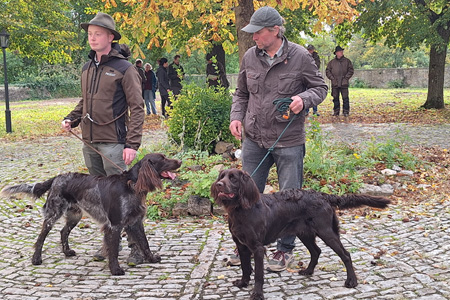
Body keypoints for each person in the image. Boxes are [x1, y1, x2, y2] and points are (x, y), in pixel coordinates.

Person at [229, 6, 327, 272]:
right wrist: (236, 117)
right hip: (254, 140)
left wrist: (303, 99)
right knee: (247, 196)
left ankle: (284, 250)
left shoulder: (300, 57)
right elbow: (241, 93)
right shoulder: (250, 56)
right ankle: (248, 246)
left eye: (258, 33)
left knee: (290, 201)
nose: (253, 38)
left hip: (289, 141)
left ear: (275, 30)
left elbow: (320, 87)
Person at [61, 12, 145, 266]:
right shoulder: (87, 67)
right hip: (90, 141)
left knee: (125, 199)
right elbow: (84, 102)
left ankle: (137, 248)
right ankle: (110, 245)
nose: (92, 38)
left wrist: (132, 144)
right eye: (90, 34)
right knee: (100, 199)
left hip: (114, 143)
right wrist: (71, 119)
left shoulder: (125, 69)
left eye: (97, 34)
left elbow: (138, 107)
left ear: (110, 37)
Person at [326, 46, 354, 117]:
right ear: (336, 53)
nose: (341, 52)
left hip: (344, 83)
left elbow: (351, 70)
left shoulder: (347, 61)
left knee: (345, 98)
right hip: (335, 83)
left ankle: (346, 112)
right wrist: (332, 78)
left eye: (342, 51)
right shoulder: (331, 62)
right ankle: (336, 111)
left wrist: (346, 78)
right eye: (340, 51)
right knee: (335, 98)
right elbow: (328, 71)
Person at [306, 44, 321, 116]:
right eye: (309, 49)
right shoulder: (304, 55)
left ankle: (315, 110)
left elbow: (317, 65)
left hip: (314, 76)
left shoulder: (316, 57)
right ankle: (306, 110)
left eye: (311, 50)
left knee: (314, 94)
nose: (310, 51)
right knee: (306, 94)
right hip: (305, 77)